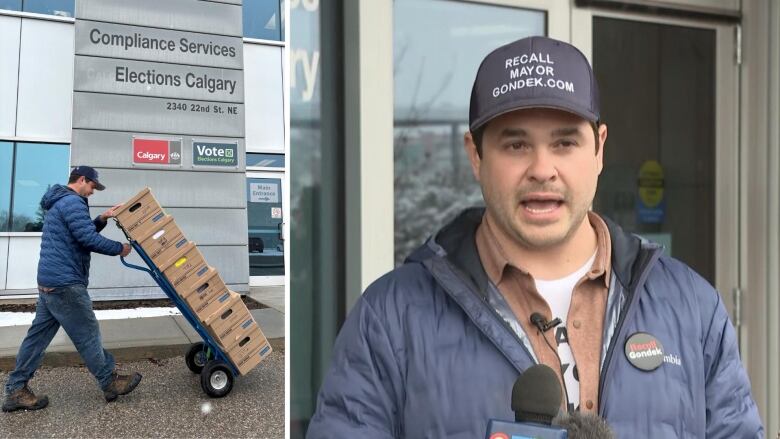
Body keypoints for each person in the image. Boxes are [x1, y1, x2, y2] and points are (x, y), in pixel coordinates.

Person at [307, 37, 763, 437]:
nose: (542, 169)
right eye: (516, 144)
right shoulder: (390, 319)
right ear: (475, 155)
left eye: (565, 143)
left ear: (600, 149)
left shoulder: (692, 308)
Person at [3, 166, 142, 412]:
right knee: (87, 333)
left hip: (50, 281)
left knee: (37, 339)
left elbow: (78, 233)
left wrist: (102, 219)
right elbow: (87, 239)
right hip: (65, 283)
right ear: (81, 180)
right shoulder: (73, 202)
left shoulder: (60, 202)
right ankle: (109, 381)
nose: (92, 192)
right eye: (92, 186)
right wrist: (118, 248)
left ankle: (15, 389)